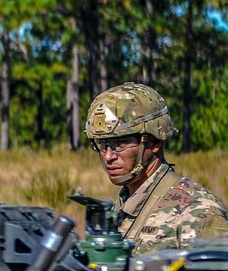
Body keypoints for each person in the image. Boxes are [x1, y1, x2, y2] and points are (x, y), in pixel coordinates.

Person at [85, 82, 228, 255]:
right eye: (102, 144)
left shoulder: (198, 211)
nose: (108, 156)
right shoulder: (123, 205)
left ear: (154, 142)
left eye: (120, 143)